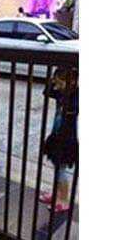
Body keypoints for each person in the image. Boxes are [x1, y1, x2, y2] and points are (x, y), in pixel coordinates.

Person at [38, 68, 78, 212]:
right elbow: (47, 92)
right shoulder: (62, 93)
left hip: (67, 139)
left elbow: (75, 107)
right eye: (58, 83)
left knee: (61, 170)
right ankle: (57, 194)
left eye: (61, 83)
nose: (59, 86)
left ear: (72, 82)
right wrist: (52, 81)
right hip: (56, 135)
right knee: (56, 167)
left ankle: (64, 199)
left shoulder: (75, 96)